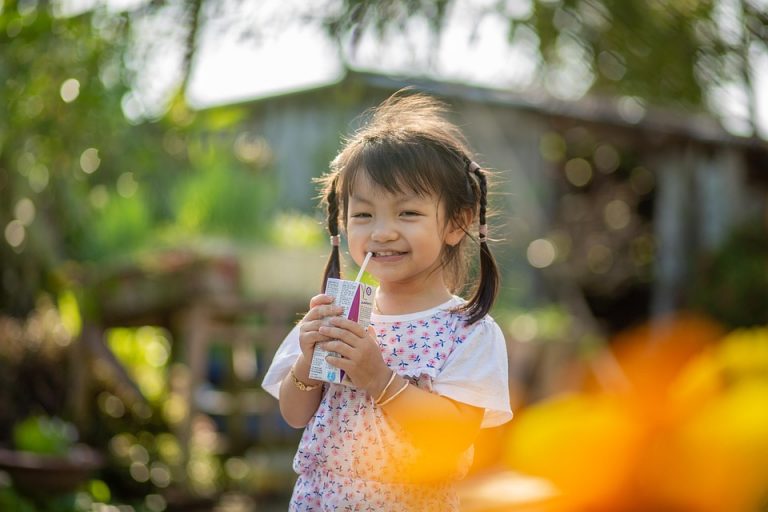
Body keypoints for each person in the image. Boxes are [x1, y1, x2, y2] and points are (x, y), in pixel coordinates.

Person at [262, 90, 512, 511]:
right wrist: (308, 361)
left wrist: (379, 378)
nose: (381, 232)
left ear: (457, 223)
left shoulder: (468, 332)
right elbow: (295, 414)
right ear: (341, 223)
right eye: (363, 215)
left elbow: (452, 436)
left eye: (407, 213)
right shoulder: (337, 315)